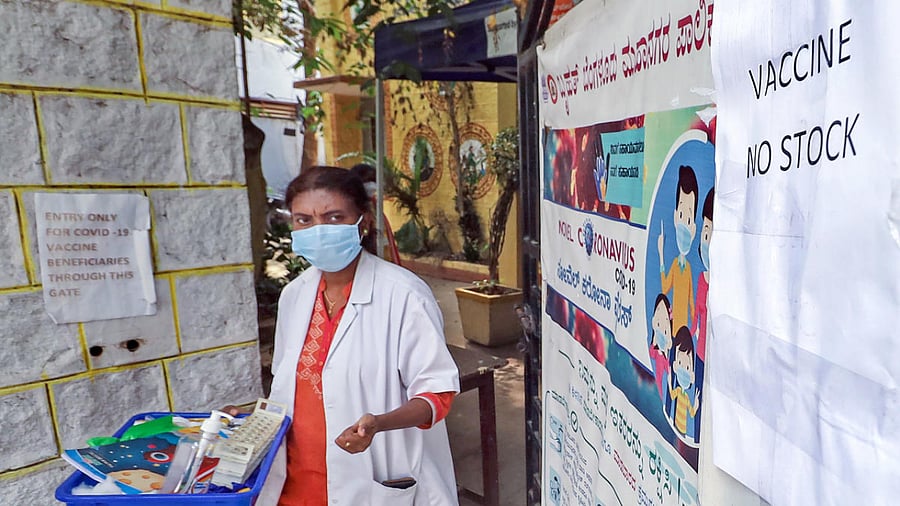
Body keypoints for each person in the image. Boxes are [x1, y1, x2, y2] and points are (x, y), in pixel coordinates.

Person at [244, 166, 460, 505]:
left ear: (365, 220)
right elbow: (289, 387)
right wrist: (248, 417)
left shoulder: (403, 294)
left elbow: (437, 394)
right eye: (304, 220)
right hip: (296, 480)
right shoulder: (295, 295)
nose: (318, 231)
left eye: (333, 217)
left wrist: (379, 423)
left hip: (371, 480)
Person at [349, 163, 402, 266]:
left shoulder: (374, 205)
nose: (372, 184)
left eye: (374, 180)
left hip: (384, 258)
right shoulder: (353, 207)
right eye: (368, 181)